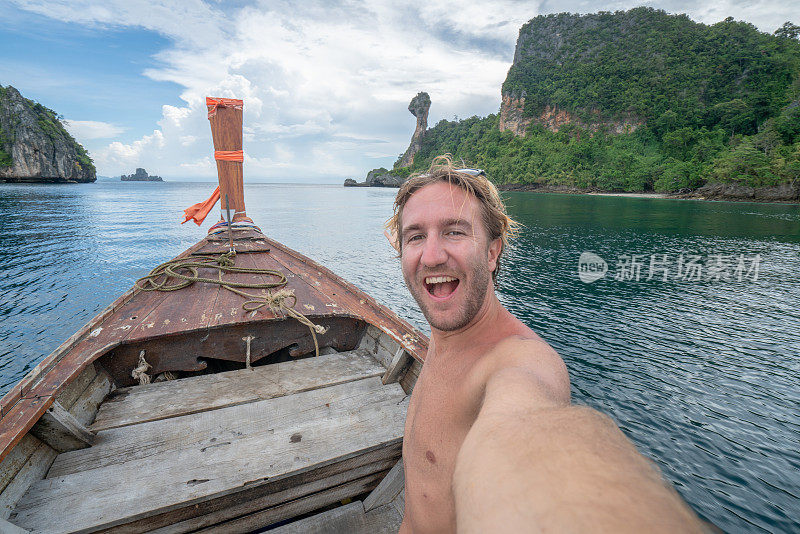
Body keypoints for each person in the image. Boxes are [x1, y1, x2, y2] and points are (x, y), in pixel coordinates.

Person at [386, 156, 705, 533]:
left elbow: (525, 423)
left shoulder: (518, 359)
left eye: (455, 232)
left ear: (492, 252)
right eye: (416, 237)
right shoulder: (447, 336)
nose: (432, 255)